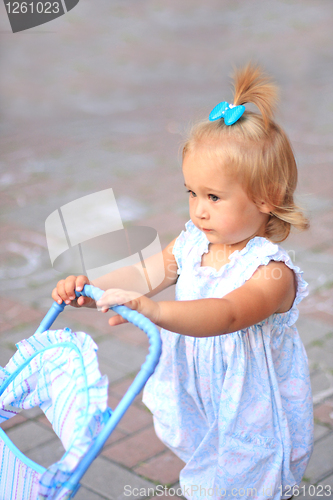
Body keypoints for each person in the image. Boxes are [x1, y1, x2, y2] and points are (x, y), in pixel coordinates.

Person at [52, 64, 313, 500]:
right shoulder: (193, 242)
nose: (199, 210)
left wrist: (154, 311)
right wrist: (94, 290)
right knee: (208, 457)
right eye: (192, 193)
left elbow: (227, 314)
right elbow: (146, 274)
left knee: (249, 471)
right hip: (197, 381)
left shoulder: (272, 274)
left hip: (248, 397)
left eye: (214, 197)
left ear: (266, 198)